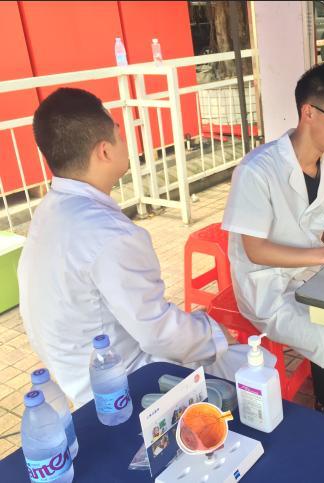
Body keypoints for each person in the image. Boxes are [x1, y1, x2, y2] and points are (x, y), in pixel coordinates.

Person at [18, 87, 245, 407]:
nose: (125, 142)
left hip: (77, 378)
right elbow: (158, 333)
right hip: (128, 386)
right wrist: (216, 334)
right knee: (248, 362)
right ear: (104, 151)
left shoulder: (49, 211)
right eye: (119, 135)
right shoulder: (111, 234)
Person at [222, 63, 324, 418]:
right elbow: (255, 251)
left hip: (309, 273)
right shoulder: (257, 170)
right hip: (265, 285)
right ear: (309, 112)